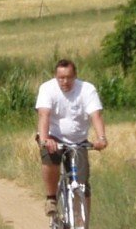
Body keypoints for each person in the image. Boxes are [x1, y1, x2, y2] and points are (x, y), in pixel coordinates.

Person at [34, 58, 108, 215]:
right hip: (54, 137)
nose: (65, 81)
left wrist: (101, 138)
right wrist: (45, 138)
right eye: (61, 77)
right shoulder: (47, 89)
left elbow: (96, 115)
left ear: (75, 76)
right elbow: (44, 114)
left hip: (78, 140)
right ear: (55, 76)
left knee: (82, 184)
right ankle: (51, 198)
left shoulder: (87, 90)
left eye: (68, 77)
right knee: (50, 158)